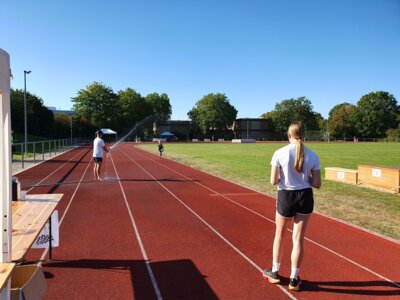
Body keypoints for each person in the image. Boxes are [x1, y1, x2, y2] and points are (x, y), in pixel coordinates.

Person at [263, 121, 321, 291]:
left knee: (279, 235)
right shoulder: (313, 155)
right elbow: (317, 183)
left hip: (286, 196)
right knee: (298, 239)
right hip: (305, 197)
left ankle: (275, 273)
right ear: (304, 135)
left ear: (289, 135)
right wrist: (305, 179)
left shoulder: (279, 153)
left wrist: (286, 179)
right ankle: (294, 279)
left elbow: (274, 181)